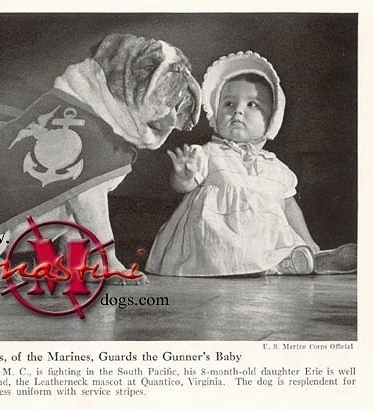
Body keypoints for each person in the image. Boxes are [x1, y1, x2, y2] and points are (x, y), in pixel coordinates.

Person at [145, 51, 356, 276]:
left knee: (281, 244)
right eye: (228, 104)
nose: (237, 110)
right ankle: (283, 265)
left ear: (271, 120)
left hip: (263, 241)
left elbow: (290, 208)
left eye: (252, 104)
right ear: (214, 115)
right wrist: (184, 176)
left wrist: (309, 240)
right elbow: (183, 186)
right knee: (224, 244)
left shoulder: (277, 168)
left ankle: (302, 259)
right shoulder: (208, 153)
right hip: (216, 243)